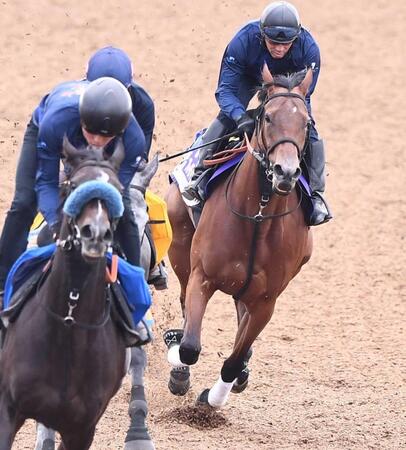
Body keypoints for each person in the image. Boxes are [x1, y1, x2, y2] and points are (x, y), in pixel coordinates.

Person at [183, 1, 332, 226]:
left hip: (289, 85)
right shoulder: (243, 41)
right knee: (226, 119)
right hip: (247, 77)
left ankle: (317, 195)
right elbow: (225, 91)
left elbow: (303, 95)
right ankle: (198, 177)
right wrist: (241, 118)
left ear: (297, 38)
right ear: (261, 35)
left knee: (304, 124)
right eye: (273, 42)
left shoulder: (309, 49)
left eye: (286, 44)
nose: (280, 49)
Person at [0, 76, 146, 301]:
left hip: (100, 151)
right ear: (82, 120)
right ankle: (2, 286)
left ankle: (136, 290)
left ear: (120, 131)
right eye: (91, 132)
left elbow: (116, 190)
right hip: (51, 131)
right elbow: (46, 182)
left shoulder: (134, 139)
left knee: (124, 211)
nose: (96, 141)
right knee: (24, 202)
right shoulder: (57, 121)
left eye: (105, 136)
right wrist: (58, 225)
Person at [86, 46, 168, 289]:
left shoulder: (143, 106)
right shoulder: (75, 99)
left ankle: (149, 264)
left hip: (124, 165)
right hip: (86, 158)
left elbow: (138, 154)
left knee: (136, 203)